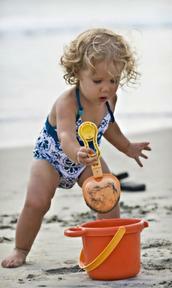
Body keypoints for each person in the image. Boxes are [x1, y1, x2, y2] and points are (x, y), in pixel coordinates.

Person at [1, 28, 151, 268]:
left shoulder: (109, 99)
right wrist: (76, 153)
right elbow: (65, 136)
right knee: (37, 202)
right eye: (98, 81)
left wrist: (127, 147)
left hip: (88, 158)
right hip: (52, 157)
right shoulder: (68, 103)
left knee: (108, 195)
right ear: (76, 74)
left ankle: (110, 245)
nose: (107, 88)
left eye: (113, 80)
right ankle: (21, 249)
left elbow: (109, 126)